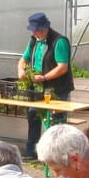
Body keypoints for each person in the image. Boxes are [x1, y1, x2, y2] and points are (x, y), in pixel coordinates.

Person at [17, 12, 74, 160]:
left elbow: (63, 67)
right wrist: (21, 70)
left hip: (56, 89)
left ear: (45, 27)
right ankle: (32, 152)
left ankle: (57, 156)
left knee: (56, 122)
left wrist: (44, 77)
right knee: (33, 115)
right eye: (33, 30)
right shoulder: (34, 41)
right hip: (37, 89)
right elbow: (23, 60)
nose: (35, 32)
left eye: (38, 30)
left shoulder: (59, 41)